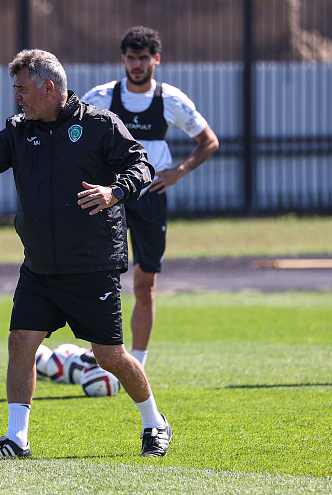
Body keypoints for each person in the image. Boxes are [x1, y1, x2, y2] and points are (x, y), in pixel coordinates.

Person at [0, 49, 173, 457]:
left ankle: (155, 423)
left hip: (91, 263)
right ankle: (16, 439)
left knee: (109, 356)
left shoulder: (99, 124)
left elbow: (141, 166)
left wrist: (114, 191)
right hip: (40, 265)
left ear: (48, 88)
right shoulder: (18, 131)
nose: (16, 97)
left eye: (22, 89)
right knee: (20, 342)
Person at [82, 26, 219, 368]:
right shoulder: (100, 98)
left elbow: (209, 141)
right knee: (98, 282)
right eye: (131, 58)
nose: (137, 65)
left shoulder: (170, 100)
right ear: (123, 60)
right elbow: (74, 137)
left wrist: (178, 172)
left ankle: (137, 365)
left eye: (143, 58)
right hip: (110, 199)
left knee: (145, 286)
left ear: (156, 59)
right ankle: (99, 357)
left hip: (150, 199)